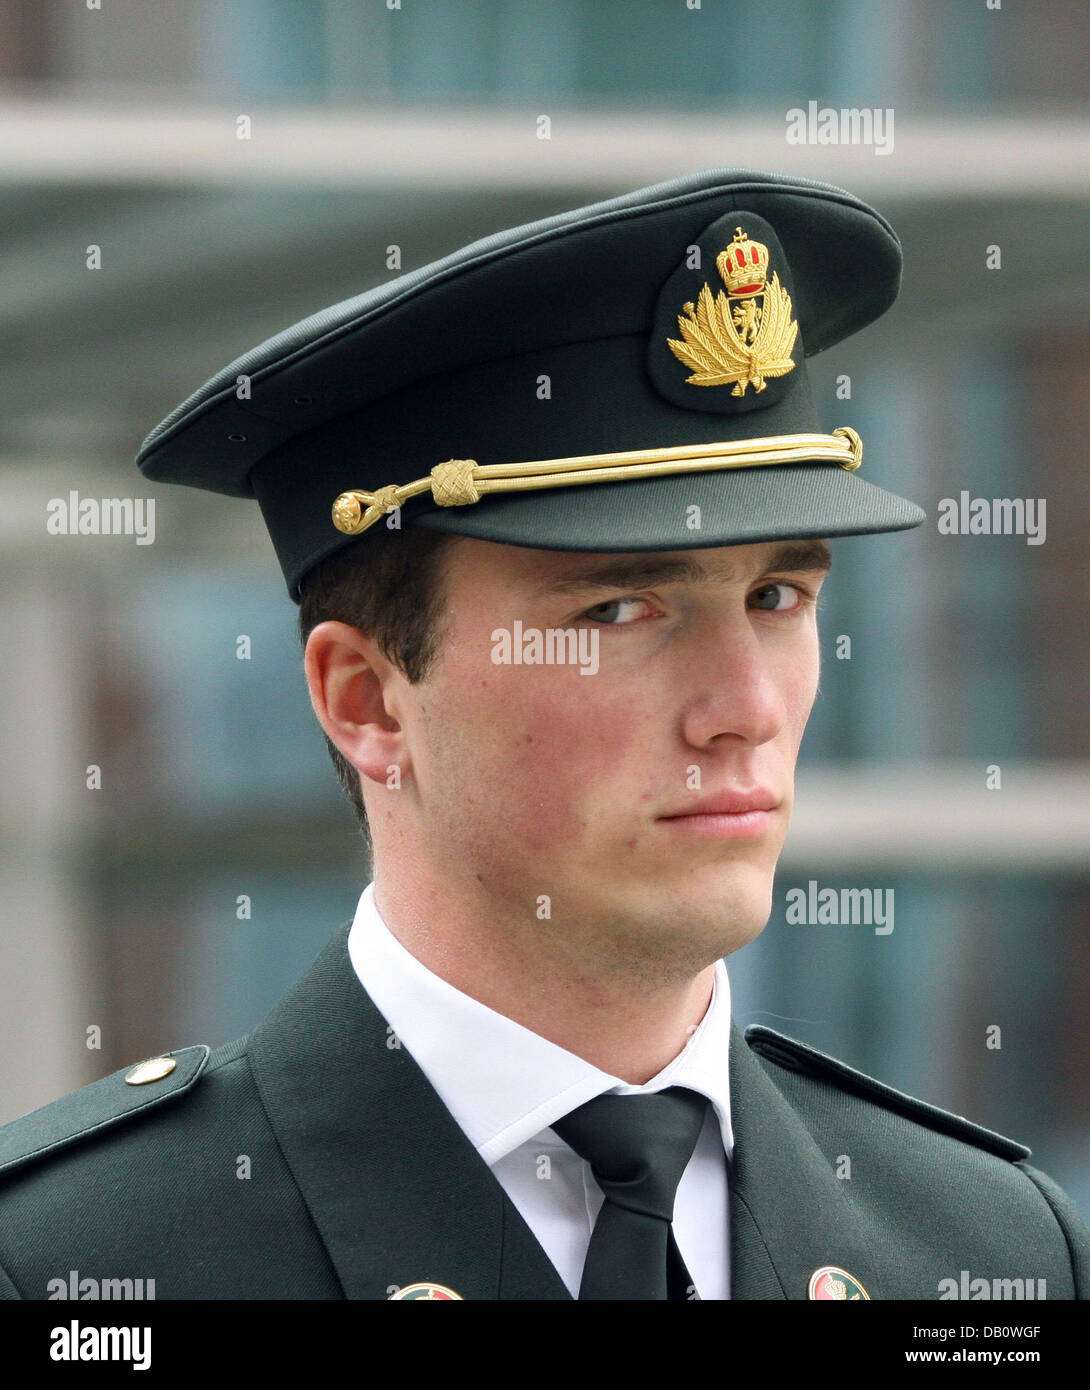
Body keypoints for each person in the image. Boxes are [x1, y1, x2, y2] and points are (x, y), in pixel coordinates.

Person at [0, 169, 1086, 1302]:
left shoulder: (993, 1257)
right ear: (367, 700)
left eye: (778, 598)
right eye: (618, 612)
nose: (747, 710)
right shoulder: (76, 1265)